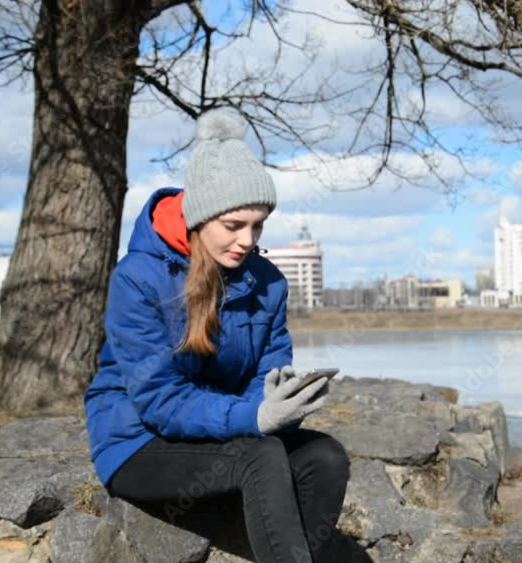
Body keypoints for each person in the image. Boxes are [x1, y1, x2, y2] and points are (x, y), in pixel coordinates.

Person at [84, 108, 350, 563]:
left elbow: (266, 373)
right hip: (139, 441)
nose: (247, 240)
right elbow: (160, 401)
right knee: (260, 456)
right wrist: (257, 419)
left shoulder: (268, 283)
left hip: (218, 435)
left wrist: (278, 402)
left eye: (258, 225)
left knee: (326, 456)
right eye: (233, 226)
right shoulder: (137, 279)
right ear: (200, 219)